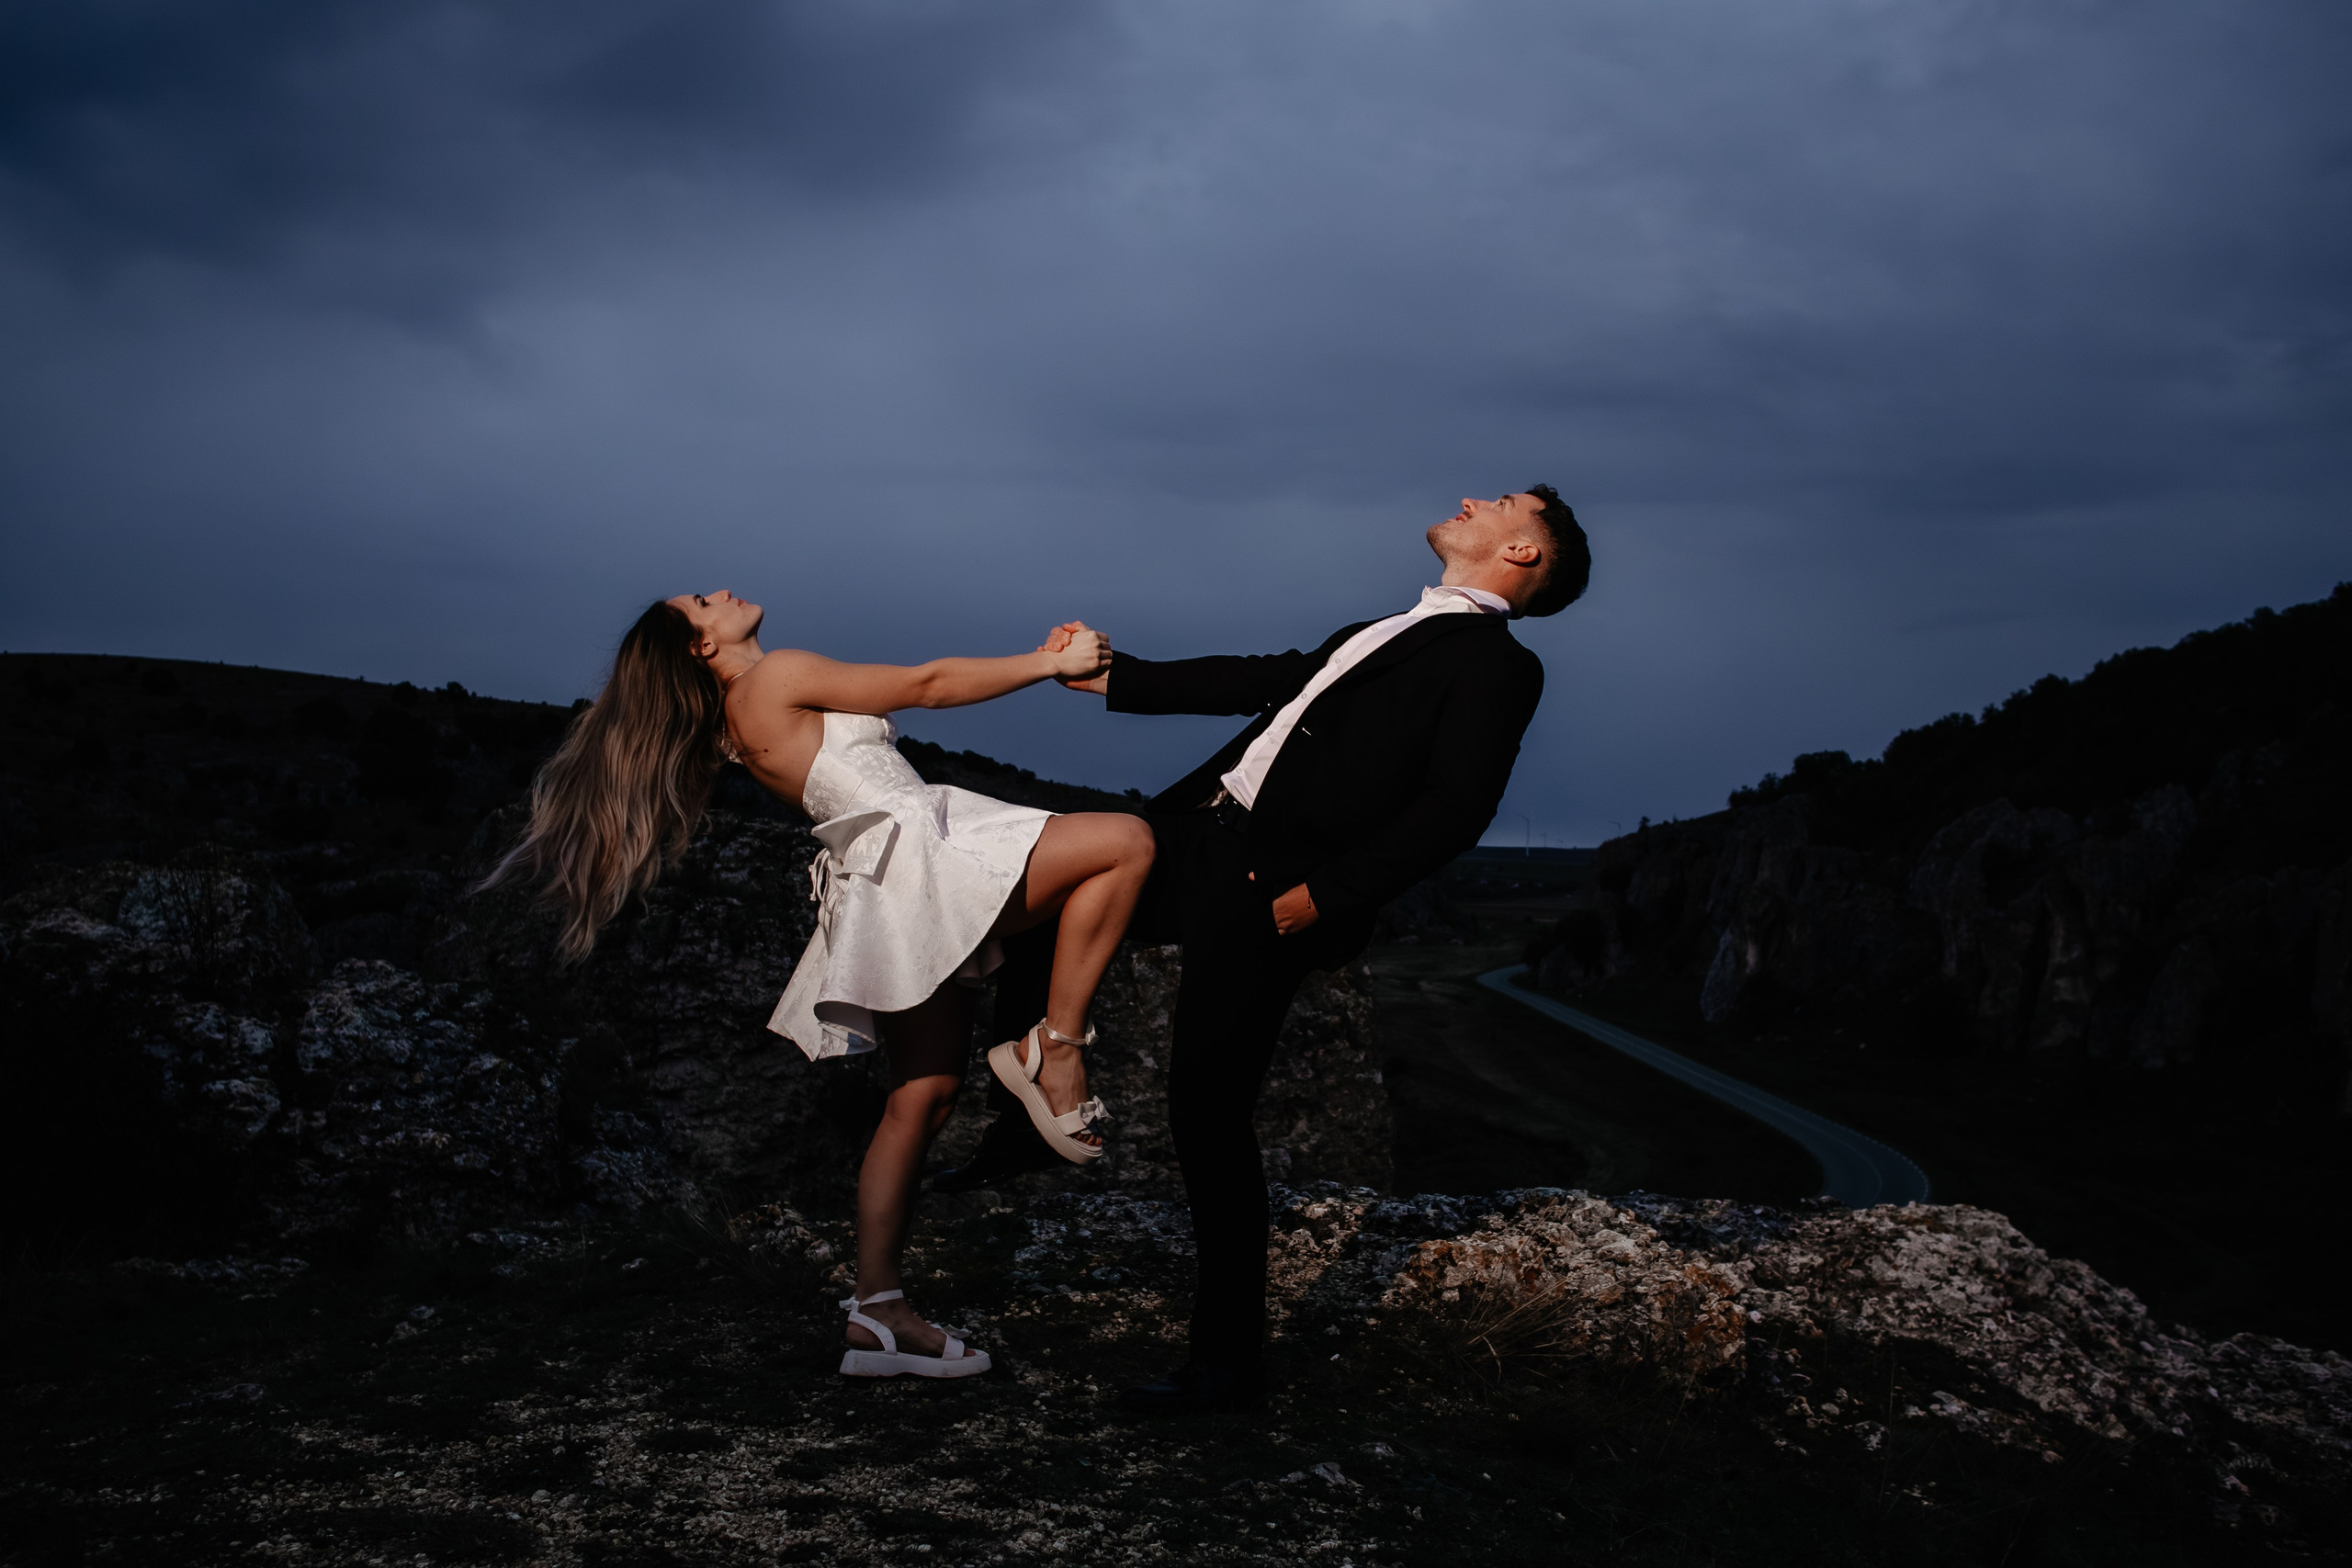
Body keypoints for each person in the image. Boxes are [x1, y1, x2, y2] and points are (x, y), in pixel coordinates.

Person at [936, 486, 1591, 1414]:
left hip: (1268, 894)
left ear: (1522, 555)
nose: (1470, 499)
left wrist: (1320, 900)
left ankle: (1224, 1371)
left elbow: (1457, 809)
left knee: (1207, 1117)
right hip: (1199, 836)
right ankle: (1029, 1123)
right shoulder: (1383, 628)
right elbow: (1259, 679)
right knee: (1046, 901)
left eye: (1500, 503)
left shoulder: (1496, 665)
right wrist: (1116, 678)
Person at [481, 592, 1153, 1380]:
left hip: (884, 878)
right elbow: (928, 684)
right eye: (703, 601)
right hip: (920, 855)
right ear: (701, 646)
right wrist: (1053, 664)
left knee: (923, 1094)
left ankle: (878, 1313)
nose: (721, 591)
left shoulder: (735, 720)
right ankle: (1055, 1048)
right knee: (1127, 842)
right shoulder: (774, 680)